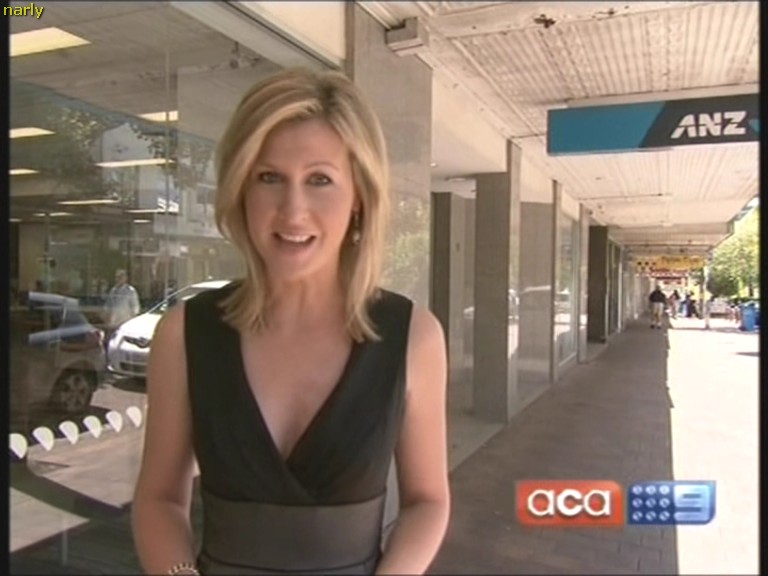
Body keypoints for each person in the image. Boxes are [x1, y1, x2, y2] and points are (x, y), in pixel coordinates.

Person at [131, 68, 450, 576]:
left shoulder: (414, 337)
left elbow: (428, 500)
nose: (292, 211)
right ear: (241, 188)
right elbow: (159, 498)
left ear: (359, 195)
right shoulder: (183, 334)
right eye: (269, 177)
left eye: (319, 180)